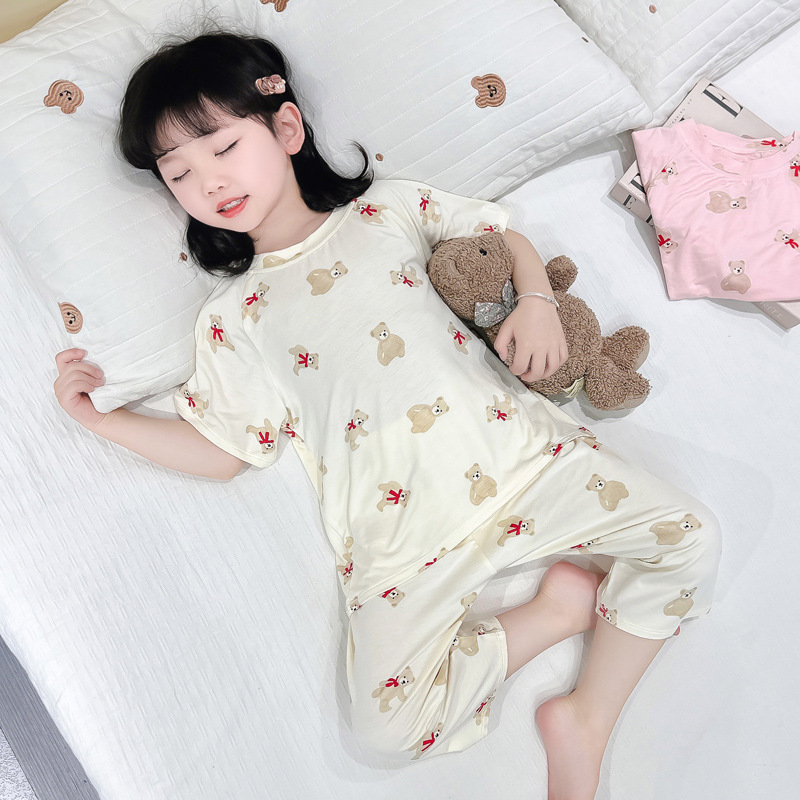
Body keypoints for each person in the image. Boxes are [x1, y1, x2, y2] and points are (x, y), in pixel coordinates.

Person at [52, 29, 722, 800]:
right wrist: (102, 421)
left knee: (691, 539)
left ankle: (587, 718)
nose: (209, 182)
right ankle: (553, 613)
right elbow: (224, 448)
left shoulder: (387, 211)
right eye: (179, 174)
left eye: (223, 147)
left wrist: (536, 300)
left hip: (527, 464)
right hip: (403, 536)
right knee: (386, 728)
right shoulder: (234, 318)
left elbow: (498, 237)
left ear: (287, 127)